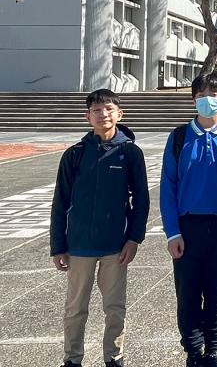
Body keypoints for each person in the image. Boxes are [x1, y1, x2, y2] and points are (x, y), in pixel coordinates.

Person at [50, 89, 150, 367]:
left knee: (115, 308)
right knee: (75, 309)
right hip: (79, 245)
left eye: (108, 109)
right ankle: (72, 359)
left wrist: (134, 239)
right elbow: (60, 202)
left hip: (115, 246)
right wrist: (58, 245)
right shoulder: (75, 154)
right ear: (87, 116)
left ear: (119, 114)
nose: (102, 114)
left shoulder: (130, 153)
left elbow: (141, 200)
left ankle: (114, 357)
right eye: (96, 110)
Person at [160, 72, 217, 367]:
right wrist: (172, 232)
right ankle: (193, 349)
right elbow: (168, 187)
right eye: (200, 95)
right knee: (187, 292)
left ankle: (212, 349)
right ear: (193, 100)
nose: (207, 100)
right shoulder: (179, 137)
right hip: (188, 227)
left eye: (213, 94)